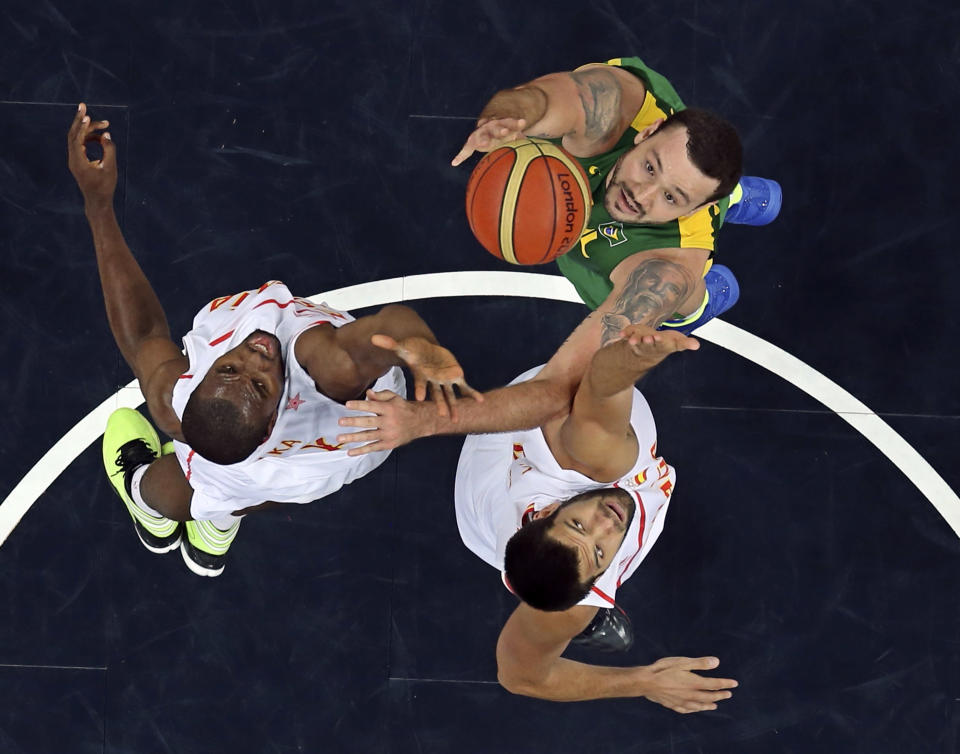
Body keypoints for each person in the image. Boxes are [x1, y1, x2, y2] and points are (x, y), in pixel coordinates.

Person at [68, 104, 478, 577]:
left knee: (173, 495)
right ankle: (217, 523)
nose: (254, 358)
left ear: (194, 386)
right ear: (268, 425)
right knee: (236, 495)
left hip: (286, 463)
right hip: (340, 450)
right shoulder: (326, 369)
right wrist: (420, 350)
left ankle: (147, 499)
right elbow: (394, 326)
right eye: (259, 384)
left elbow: (142, 334)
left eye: (229, 369)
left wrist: (96, 204)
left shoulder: (174, 400)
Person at [459, 325, 737, 710]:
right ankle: (581, 618)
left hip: (508, 433)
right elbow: (518, 675)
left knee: (596, 434)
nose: (607, 523)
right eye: (599, 553)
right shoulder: (575, 595)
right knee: (558, 602)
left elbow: (602, 381)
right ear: (594, 581)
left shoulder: (589, 456)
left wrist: (634, 354)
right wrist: (643, 682)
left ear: (549, 510)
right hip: (490, 525)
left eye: (578, 524)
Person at [453, 55, 780, 337]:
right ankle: (725, 192)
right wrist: (507, 116)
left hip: (646, 248)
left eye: (671, 197)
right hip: (669, 160)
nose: (641, 195)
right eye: (650, 168)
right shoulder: (612, 112)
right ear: (648, 131)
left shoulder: (668, 258)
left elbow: (600, 343)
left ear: (695, 210)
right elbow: (542, 99)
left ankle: (705, 296)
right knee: (689, 172)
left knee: (670, 308)